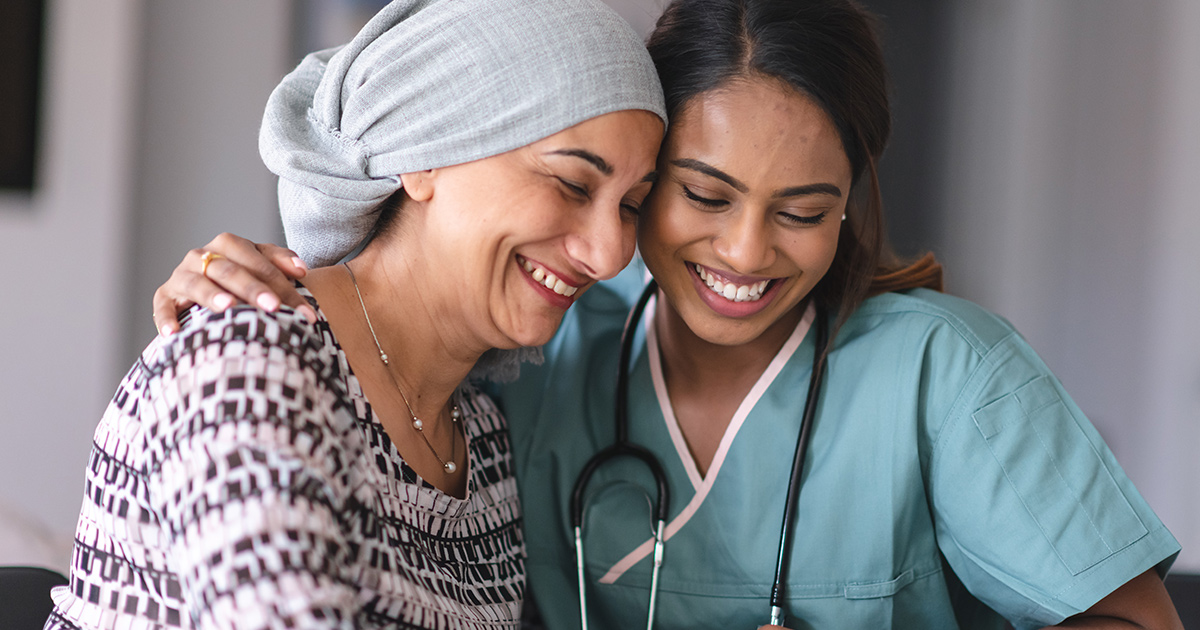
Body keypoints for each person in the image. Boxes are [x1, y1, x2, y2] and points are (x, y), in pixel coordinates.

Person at [149, 0, 1183, 628]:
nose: (746, 252)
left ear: (851, 205)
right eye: (700, 195)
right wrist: (261, 297)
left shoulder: (948, 377)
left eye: (803, 212)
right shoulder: (539, 355)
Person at [48, 0, 666, 628]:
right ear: (426, 154)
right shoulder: (248, 366)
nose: (609, 253)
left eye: (631, 206)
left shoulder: (480, 435)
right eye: (573, 184)